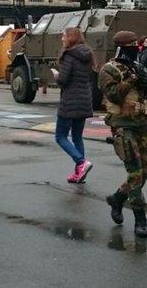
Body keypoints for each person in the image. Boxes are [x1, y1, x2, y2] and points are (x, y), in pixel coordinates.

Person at [99, 31, 147, 238]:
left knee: (146, 171)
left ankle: (117, 198)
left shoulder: (138, 66)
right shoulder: (109, 69)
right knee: (135, 172)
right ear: (122, 48)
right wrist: (132, 80)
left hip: (142, 124)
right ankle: (140, 219)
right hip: (122, 126)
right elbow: (114, 95)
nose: (137, 50)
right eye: (133, 46)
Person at [52, 27, 95, 184]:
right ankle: (79, 173)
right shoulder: (87, 55)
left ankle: (81, 162)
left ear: (70, 38)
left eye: (63, 36)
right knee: (77, 137)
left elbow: (64, 80)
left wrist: (56, 75)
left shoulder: (69, 56)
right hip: (84, 100)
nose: (62, 39)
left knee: (60, 136)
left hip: (70, 100)